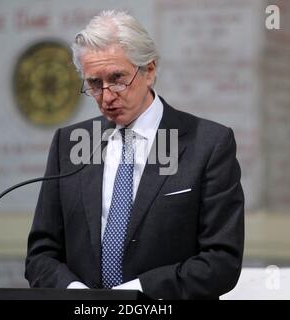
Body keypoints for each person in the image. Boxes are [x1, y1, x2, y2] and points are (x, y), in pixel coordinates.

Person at [25, 10, 244, 300]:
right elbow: (41, 254)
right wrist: (78, 295)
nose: (107, 96)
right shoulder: (71, 144)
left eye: (117, 78)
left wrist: (134, 295)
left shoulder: (209, 144)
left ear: (149, 70)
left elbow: (221, 261)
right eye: (94, 84)